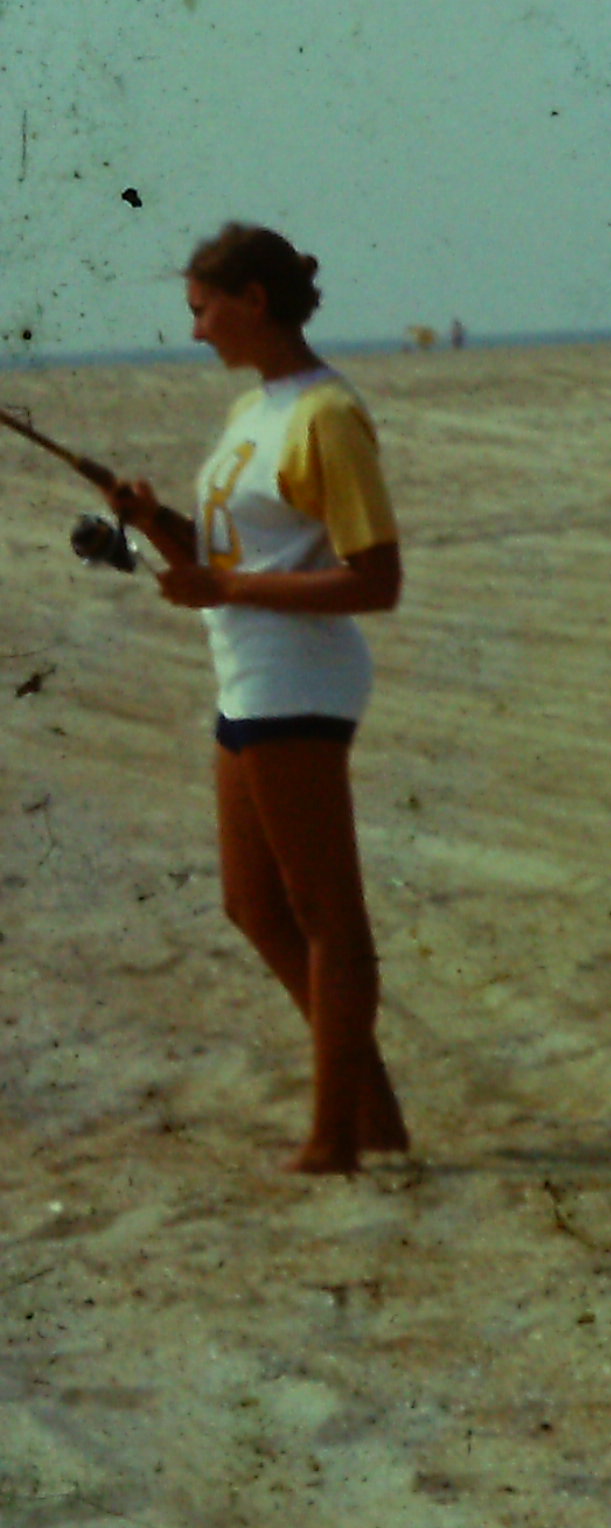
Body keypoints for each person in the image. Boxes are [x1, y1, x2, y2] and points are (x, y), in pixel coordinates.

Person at [109, 223, 411, 1176]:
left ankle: (336, 1139)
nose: (195, 330)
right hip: (247, 671)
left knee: (327, 914)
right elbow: (223, 560)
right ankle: (372, 1110)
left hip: (300, 677)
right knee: (252, 905)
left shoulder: (327, 414)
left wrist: (226, 591)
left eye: (202, 309)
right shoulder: (256, 410)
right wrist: (154, 521)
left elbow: (378, 581)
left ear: (253, 300)